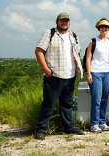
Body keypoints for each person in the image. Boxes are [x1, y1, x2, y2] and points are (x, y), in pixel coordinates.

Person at [34, 12, 84, 140]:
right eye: (62, 20)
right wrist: (45, 68)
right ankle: (41, 129)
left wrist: (78, 69)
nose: (64, 23)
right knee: (48, 104)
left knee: (67, 104)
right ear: (57, 22)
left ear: (69, 22)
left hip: (70, 75)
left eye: (66, 20)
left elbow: (77, 53)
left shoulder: (73, 36)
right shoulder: (50, 34)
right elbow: (39, 51)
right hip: (54, 75)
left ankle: (68, 127)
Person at [85, 18, 109, 133]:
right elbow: (88, 58)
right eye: (102, 27)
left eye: (106, 27)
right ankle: (94, 123)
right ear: (99, 28)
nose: (104, 29)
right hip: (95, 72)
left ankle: (102, 122)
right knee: (96, 99)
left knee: (104, 99)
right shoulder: (93, 41)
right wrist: (88, 73)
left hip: (107, 72)